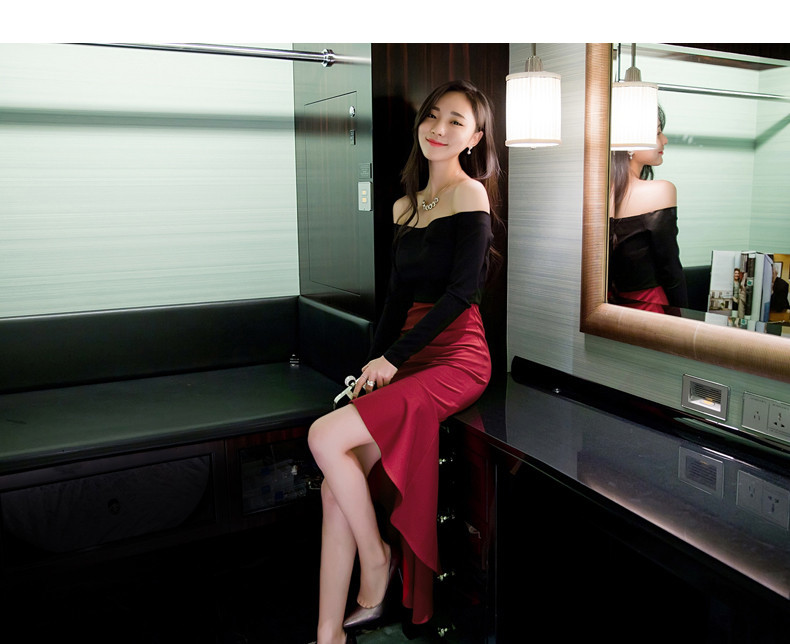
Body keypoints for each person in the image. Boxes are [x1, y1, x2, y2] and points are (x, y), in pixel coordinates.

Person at [307, 80, 501, 644]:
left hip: (457, 357)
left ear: (475, 138)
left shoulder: (471, 194)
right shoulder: (405, 206)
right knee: (334, 485)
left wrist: (393, 360)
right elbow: (395, 302)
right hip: (407, 354)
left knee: (323, 437)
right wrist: (372, 366)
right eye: (432, 116)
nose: (438, 129)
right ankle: (328, 633)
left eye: (456, 121)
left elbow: (462, 294)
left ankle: (378, 560)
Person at [608, 106, 688, 313]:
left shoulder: (596, 196)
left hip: (606, 311)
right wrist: (685, 319)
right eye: (657, 133)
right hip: (651, 309)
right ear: (629, 143)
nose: (665, 140)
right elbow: (670, 270)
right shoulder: (660, 191)